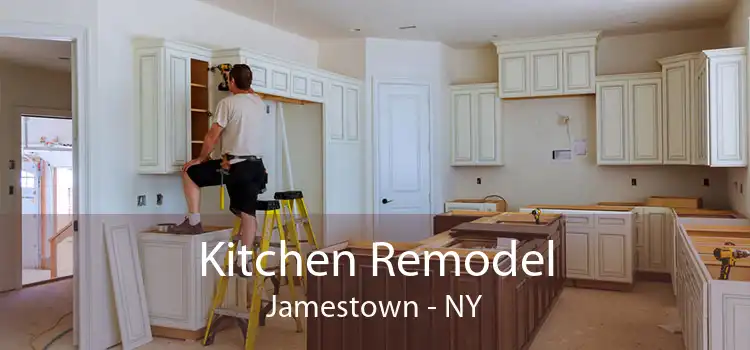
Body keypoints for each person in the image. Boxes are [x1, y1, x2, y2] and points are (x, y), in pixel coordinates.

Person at [171, 64, 268, 263]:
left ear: (231, 81)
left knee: (191, 173)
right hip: (256, 167)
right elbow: (247, 89)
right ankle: (244, 262)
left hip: (234, 166)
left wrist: (201, 158)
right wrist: (236, 78)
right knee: (248, 214)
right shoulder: (258, 102)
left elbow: (212, 135)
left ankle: (194, 222)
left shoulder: (227, 103)